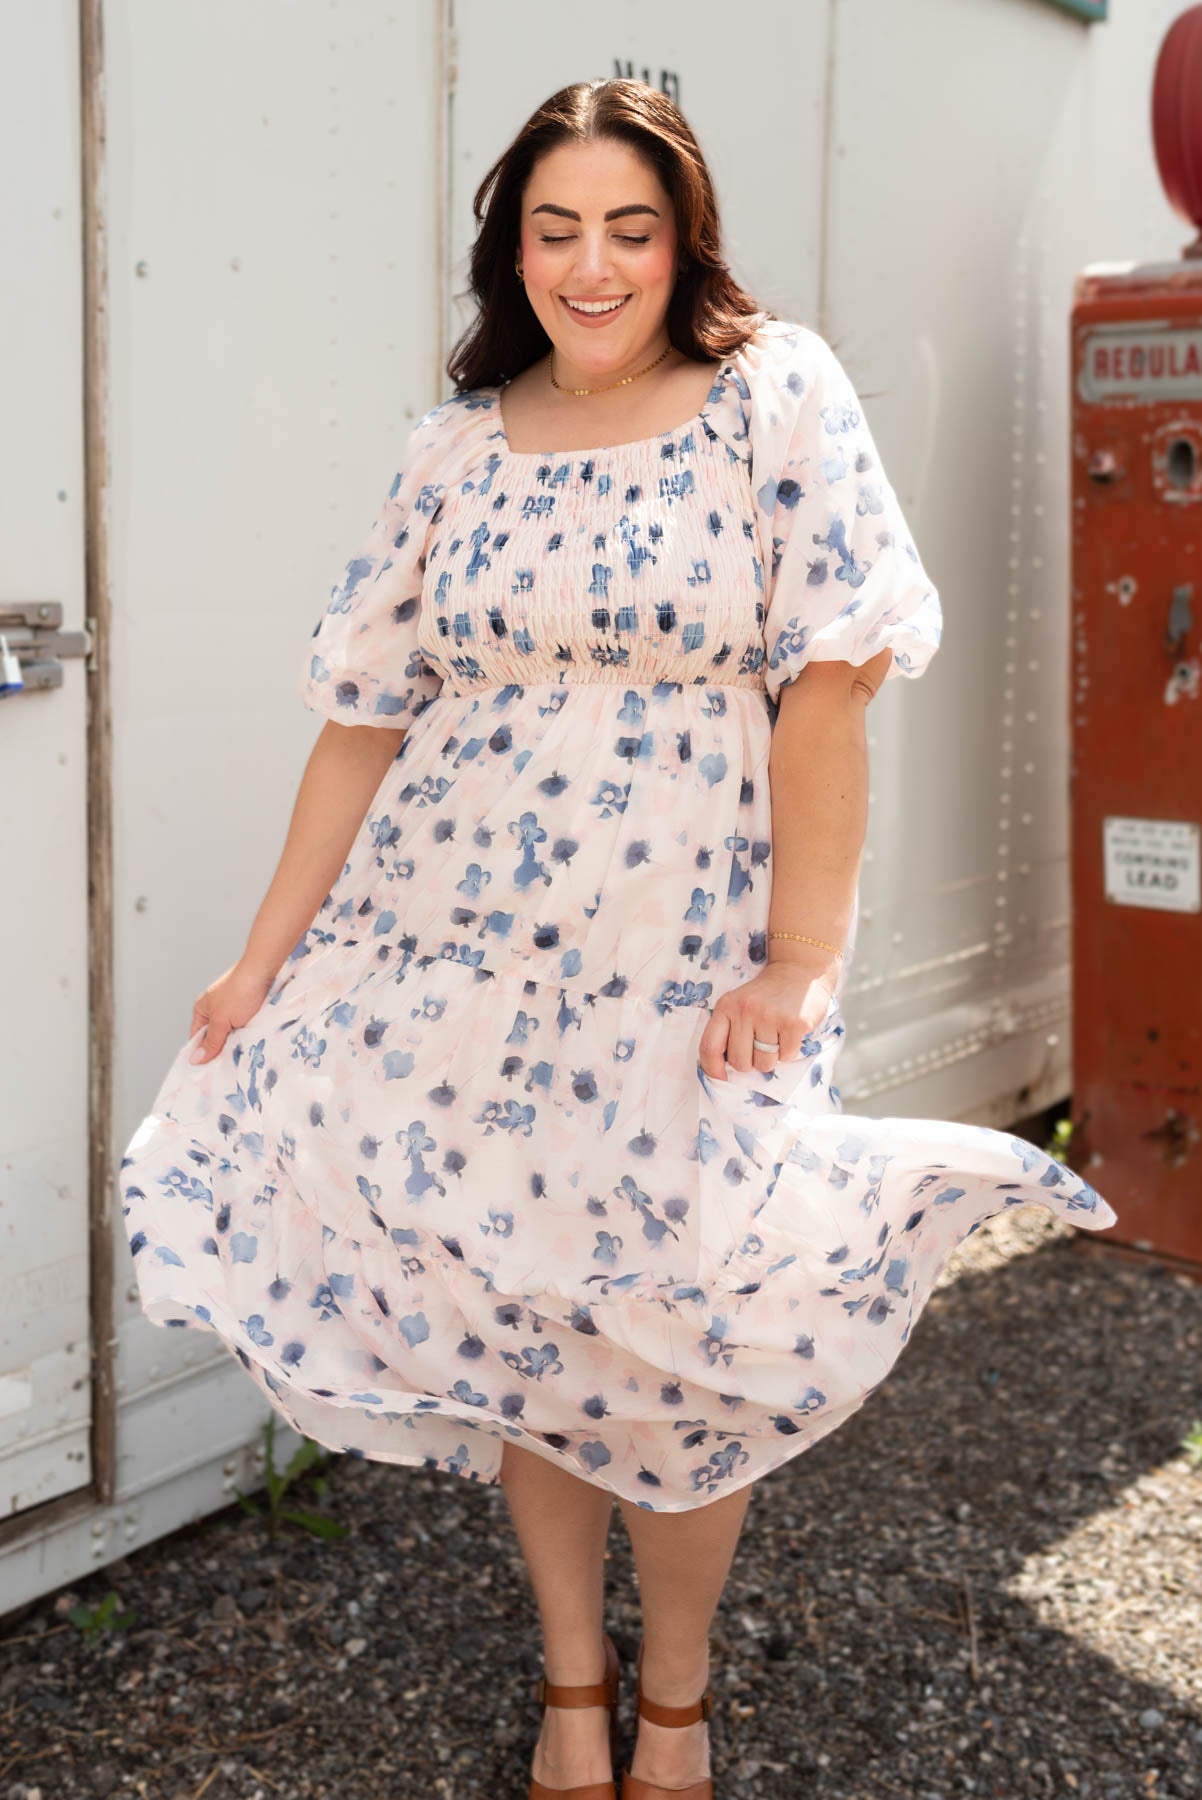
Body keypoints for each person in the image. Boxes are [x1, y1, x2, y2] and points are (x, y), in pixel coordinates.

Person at [119, 78, 1117, 1800]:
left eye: (629, 229)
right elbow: (362, 719)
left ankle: (679, 1688)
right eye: (555, 229)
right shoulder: (455, 441)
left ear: (683, 240)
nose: (592, 266)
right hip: (455, 947)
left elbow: (829, 694)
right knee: (527, 1320)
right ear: (514, 248)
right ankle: (572, 1685)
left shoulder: (767, 397)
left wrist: (797, 965)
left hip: (687, 953)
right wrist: (264, 957)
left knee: (684, 1334)